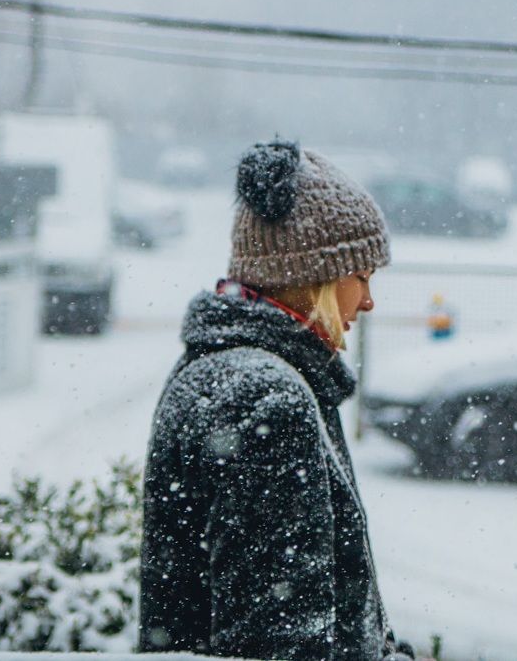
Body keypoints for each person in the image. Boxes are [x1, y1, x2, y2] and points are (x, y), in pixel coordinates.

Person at [140, 141, 414, 660]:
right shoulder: (267, 398)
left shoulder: (224, 372)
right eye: (362, 276)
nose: (370, 300)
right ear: (315, 276)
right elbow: (278, 641)